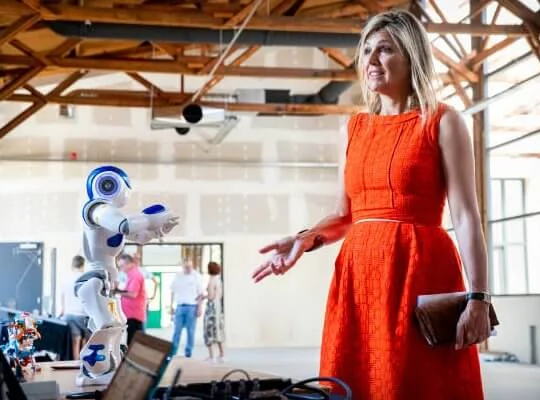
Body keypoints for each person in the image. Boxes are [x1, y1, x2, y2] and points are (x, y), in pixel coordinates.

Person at [252, 10, 492, 400]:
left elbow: (466, 217)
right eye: (366, 51)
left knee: (415, 381)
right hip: (359, 277)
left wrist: (479, 297)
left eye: (385, 49)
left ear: (412, 56)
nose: (371, 60)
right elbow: (346, 215)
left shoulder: (442, 121)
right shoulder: (354, 128)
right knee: (356, 381)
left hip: (419, 271)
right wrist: (306, 238)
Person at [170, 258, 203, 358]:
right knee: (177, 331)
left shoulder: (196, 276)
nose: (188, 269)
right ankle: (173, 352)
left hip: (192, 307)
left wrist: (199, 308)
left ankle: (188, 352)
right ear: (182, 266)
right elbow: (172, 291)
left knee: (190, 331)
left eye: (190, 267)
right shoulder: (178, 276)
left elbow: (200, 294)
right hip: (180, 307)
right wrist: (171, 306)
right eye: (186, 267)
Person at [59, 255, 90, 360]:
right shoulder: (86, 279)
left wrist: (63, 311)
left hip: (68, 315)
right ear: (83, 265)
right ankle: (84, 366)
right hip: (83, 315)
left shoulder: (66, 279)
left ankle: (75, 366)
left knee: (75, 341)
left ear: (72, 265)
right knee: (86, 342)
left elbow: (62, 296)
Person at [116, 253, 147, 346]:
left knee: (133, 342)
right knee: (133, 340)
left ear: (129, 264)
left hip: (134, 315)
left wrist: (117, 291)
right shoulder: (131, 274)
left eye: (122, 266)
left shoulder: (135, 275)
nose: (121, 269)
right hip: (131, 313)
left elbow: (133, 294)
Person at [197, 261, 225, 363]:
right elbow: (218, 295)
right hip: (218, 306)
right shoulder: (219, 280)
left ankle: (211, 356)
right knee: (218, 329)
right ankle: (222, 354)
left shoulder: (211, 280)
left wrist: (203, 297)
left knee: (208, 330)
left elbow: (211, 296)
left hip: (211, 308)